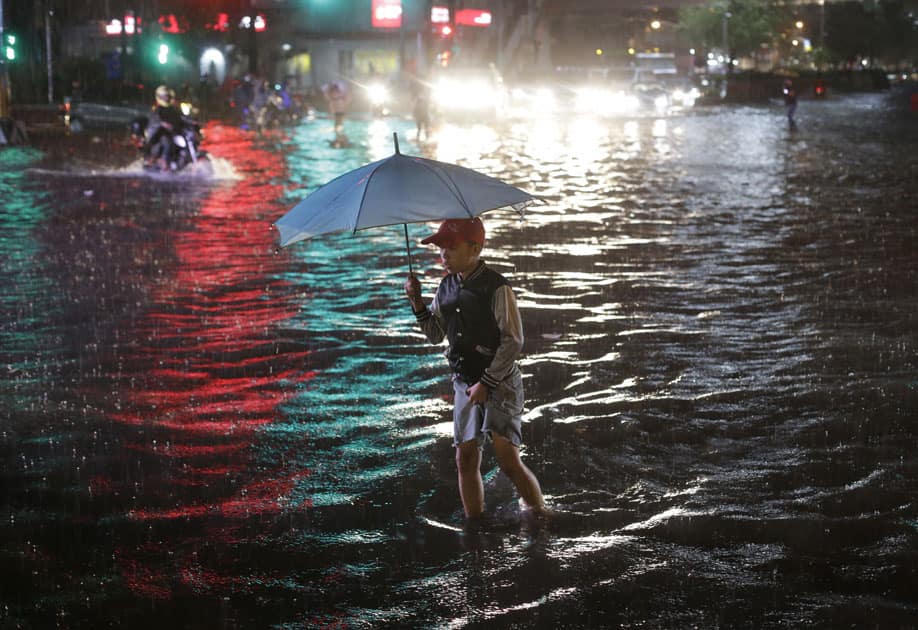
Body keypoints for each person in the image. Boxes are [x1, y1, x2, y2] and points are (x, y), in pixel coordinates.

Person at [404, 218, 547, 520]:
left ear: (475, 248)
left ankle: (540, 514)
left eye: (450, 247)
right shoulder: (445, 287)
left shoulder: (496, 286)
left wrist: (486, 382)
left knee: (508, 459)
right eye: (440, 248)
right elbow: (434, 334)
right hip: (463, 382)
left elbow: (513, 340)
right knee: (465, 458)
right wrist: (417, 302)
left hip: (500, 382)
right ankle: (475, 525)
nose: (443, 254)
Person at [145, 85, 185, 170]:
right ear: (159, 97)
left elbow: (181, 117)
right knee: (166, 140)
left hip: (172, 131)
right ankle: (163, 160)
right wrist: (163, 123)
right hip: (157, 134)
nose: (166, 98)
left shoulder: (173, 109)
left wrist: (192, 121)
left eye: (168, 96)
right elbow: (155, 119)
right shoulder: (157, 109)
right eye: (164, 96)